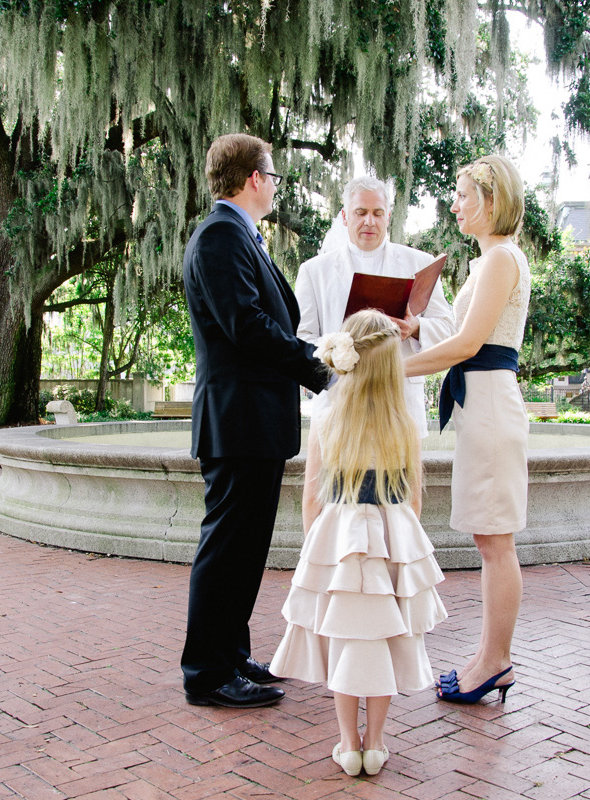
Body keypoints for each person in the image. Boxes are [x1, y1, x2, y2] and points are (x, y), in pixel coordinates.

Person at [181, 133, 330, 709]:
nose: (274, 186)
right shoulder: (220, 236)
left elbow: (264, 321)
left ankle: (231, 653)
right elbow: (245, 324)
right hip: (237, 418)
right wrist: (317, 367)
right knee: (225, 548)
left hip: (255, 420)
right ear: (253, 178)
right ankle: (207, 674)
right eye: (273, 176)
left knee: (245, 549)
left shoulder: (241, 236)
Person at [270, 309, 447, 775]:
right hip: (392, 537)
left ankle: (348, 743)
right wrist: (406, 549)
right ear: (392, 366)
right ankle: (377, 741)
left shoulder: (327, 416)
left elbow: (312, 493)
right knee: (384, 639)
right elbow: (412, 498)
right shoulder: (405, 421)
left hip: (341, 536)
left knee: (348, 640)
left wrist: (315, 546)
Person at [405, 155, 530, 704]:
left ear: (492, 200)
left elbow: (465, 346)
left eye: (462, 196)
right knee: (489, 539)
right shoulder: (487, 264)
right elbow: (458, 334)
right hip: (479, 409)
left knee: (497, 542)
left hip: (492, 408)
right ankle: (488, 657)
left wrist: (388, 367)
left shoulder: (502, 259)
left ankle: (495, 662)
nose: (454, 205)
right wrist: (412, 331)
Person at [295, 176, 455, 437]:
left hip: (399, 404)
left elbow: (449, 330)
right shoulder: (315, 271)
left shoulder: (419, 263)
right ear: (345, 216)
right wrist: (339, 351)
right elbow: (301, 340)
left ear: (388, 216)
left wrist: (415, 327)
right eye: (361, 212)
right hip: (340, 404)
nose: (369, 221)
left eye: (377, 213)